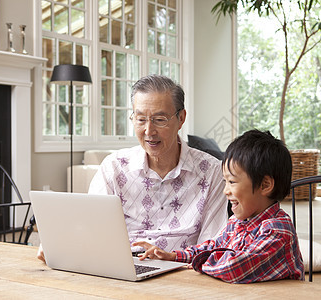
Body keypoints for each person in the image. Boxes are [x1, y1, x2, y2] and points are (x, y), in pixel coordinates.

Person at [37, 75, 228, 261]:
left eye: (160, 119)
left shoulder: (211, 172)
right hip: (124, 267)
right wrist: (60, 243)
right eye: (141, 119)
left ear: (181, 118)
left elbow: (211, 247)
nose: (149, 131)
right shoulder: (114, 168)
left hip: (182, 269)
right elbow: (93, 229)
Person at [134, 129, 304, 283]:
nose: (225, 191)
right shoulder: (237, 223)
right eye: (225, 182)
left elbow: (233, 267)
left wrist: (195, 263)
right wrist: (172, 256)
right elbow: (210, 247)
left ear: (265, 185)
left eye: (232, 182)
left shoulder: (278, 230)